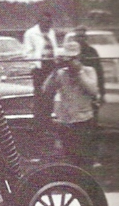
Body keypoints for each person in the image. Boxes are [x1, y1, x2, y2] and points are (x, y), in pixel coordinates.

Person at [42, 41, 99, 168]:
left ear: (79, 57)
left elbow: (93, 91)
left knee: (85, 158)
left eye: (74, 58)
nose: (70, 62)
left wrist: (79, 72)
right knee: (69, 158)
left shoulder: (89, 71)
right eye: (68, 59)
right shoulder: (61, 73)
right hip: (66, 121)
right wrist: (55, 69)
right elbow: (46, 90)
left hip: (83, 120)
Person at [73, 25, 105, 167]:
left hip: (91, 92)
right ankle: (78, 157)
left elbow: (99, 73)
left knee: (92, 126)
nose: (80, 38)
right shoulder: (72, 53)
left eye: (82, 36)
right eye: (77, 36)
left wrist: (101, 93)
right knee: (77, 127)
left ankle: (93, 157)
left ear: (85, 37)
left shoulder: (92, 52)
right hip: (77, 96)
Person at [23, 11, 58, 128]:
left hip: (52, 66)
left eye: (49, 22)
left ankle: (48, 121)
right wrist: (36, 64)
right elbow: (27, 53)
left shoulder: (51, 32)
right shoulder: (30, 33)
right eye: (45, 21)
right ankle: (39, 124)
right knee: (39, 96)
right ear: (39, 21)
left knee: (50, 94)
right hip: (39, 68)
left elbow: (55, 48)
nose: (47, 24)